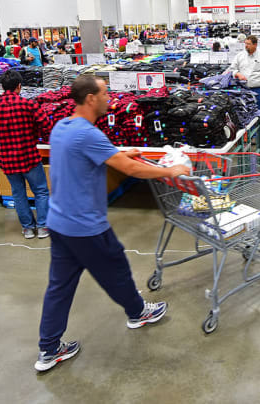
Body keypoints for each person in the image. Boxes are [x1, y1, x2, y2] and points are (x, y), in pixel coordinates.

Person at [34, 75, 190, 372]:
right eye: (105, 93)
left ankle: (49, 349)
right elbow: (129, 169)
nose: (110, 97)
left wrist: (120, 152)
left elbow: (94, 156)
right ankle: (137, 313)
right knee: (116, 267)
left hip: (59, 222)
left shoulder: (62, 127)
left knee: (59, 287)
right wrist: (172, 171)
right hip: (85, 226)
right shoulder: (90, 135)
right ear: (91, 98)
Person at [0, 71, 52, 238]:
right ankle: (42, 227)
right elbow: (46, 124)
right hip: (30, 157)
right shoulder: (28, 104)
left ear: (2, 87)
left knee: (18, 193)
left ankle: (27, 228)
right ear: (19, 86)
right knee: (40, 191)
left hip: (9, 160)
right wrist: (39, 135)